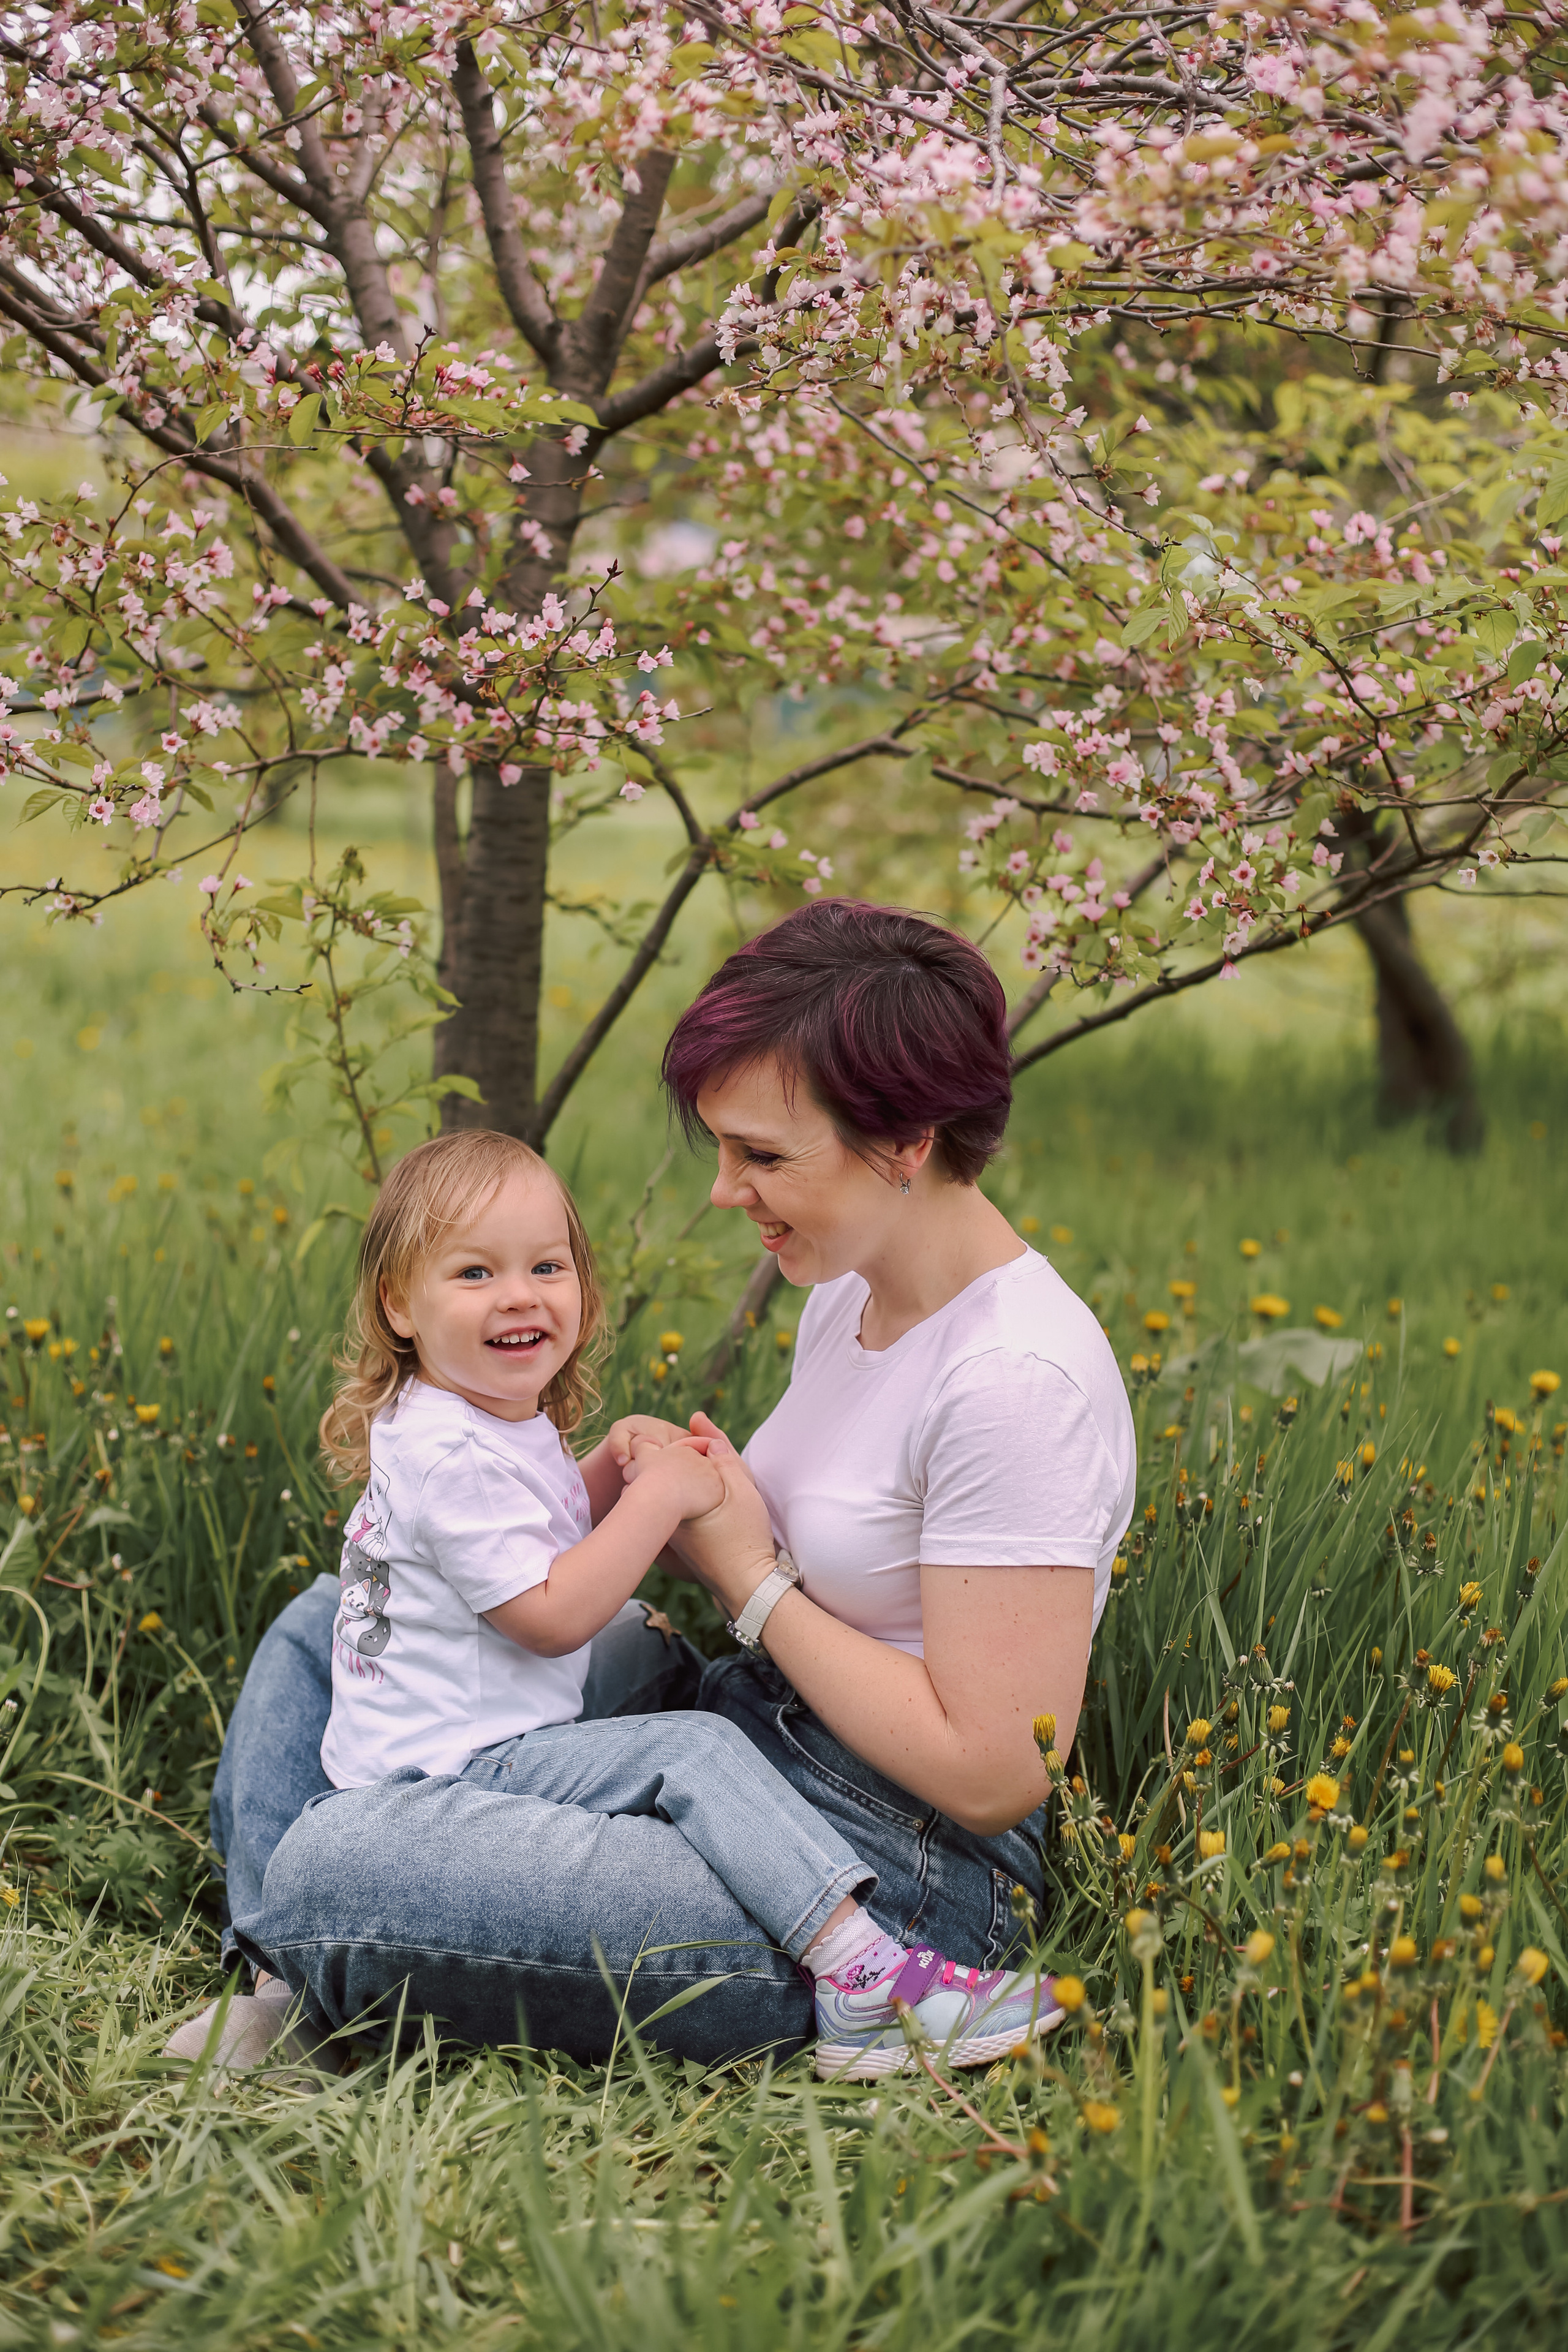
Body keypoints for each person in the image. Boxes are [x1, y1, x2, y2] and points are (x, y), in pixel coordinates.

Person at [177, 901, 1134, 2075]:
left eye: (763, 1156)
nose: (727, 1190)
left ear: (906, 1141)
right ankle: (300, 1975)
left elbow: (995, 1775)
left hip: (887, 1864)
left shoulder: (1015, 1384)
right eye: (725, 1149)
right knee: (334, 1623)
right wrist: (680, 1499)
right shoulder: (852, 1289)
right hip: (740, 1735)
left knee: (336, 1862)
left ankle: (337, 1944)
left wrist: (750, 1578)